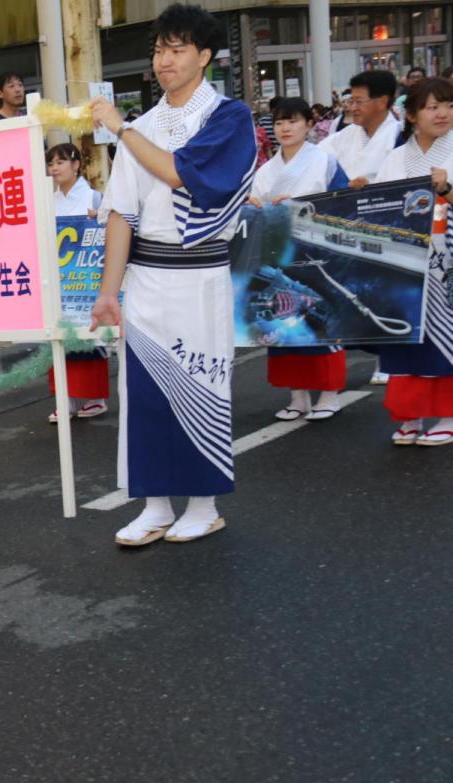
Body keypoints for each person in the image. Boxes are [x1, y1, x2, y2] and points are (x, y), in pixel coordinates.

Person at [90, 3, 257, 547]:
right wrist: (107, 292)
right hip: (146, 277)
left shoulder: (228, 117)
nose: (165, 59)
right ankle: (156, 503)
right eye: (160, 48)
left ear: (205, 56)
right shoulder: (140, 126)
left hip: (200, 274)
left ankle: (204, 504)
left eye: (177, 48)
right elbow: (121, 213)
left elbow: (181, 175)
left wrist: (119, 130)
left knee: (202, 384)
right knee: (143, 392)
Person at [248, 97, 350, 421]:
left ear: (309, 124)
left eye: (292, 121)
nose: (285, 128)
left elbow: (344, 203)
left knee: (321, 323)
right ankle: (298, 395)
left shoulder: (325, 161)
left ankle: (330, 394)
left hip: (318, 252)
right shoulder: (265, 171)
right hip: (279, 254)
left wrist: (301, 204)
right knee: (284, 323)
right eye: (279, 122)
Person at [372, 77, 453, 446]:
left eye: (449, 105)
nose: (443, 113)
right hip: (407, 262)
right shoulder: (395, 158)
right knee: (408, 342)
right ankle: (411, 415)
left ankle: (448, 415)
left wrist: (448, 190)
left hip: (446, 262)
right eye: (433, 106)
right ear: (411, 115)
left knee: (444, 339)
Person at [44, 143, 108, 423]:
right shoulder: (50, 202)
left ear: (76, 164)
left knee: (89, 338)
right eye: (51, 163)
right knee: (59, 340)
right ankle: (65, 400)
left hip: (86, 281)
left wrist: (99, 221)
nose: (54, 168)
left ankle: (96, 398)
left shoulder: (95, 198)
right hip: (59, 282)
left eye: (60, 162)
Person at [320, 71, 401, 189]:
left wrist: (370, 186)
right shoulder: (345, 135)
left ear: (382, 102)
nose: (353, 108)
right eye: (352, 101)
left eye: (359, 102)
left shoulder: (399, 136)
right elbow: (318, 157)